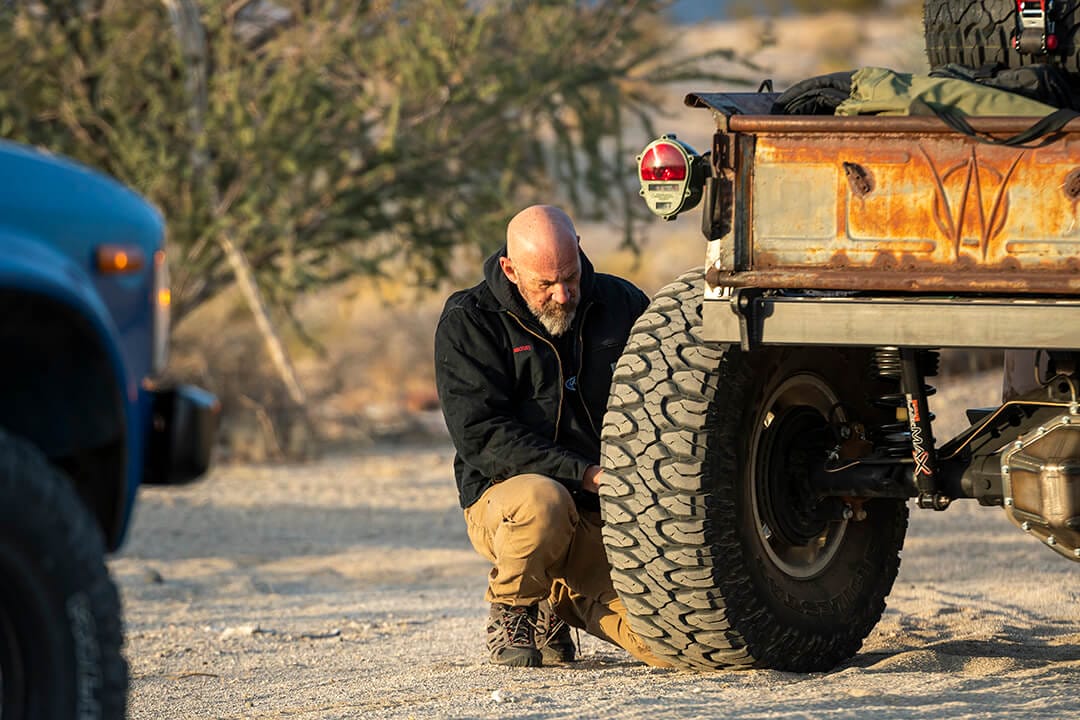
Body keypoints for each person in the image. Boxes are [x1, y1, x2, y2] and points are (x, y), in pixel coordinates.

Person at [434, 204, 667, 668]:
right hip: (513, 505)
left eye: (571, 277)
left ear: (580, 251)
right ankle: (515, 607)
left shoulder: (624, 304)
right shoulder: (469, 321)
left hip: (608, 514)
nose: (563, 296)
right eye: (545, 284)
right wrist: (584, 474)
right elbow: (482, 437)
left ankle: (555, 598)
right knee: (544, 501)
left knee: (669, 642)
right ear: (510, 269)